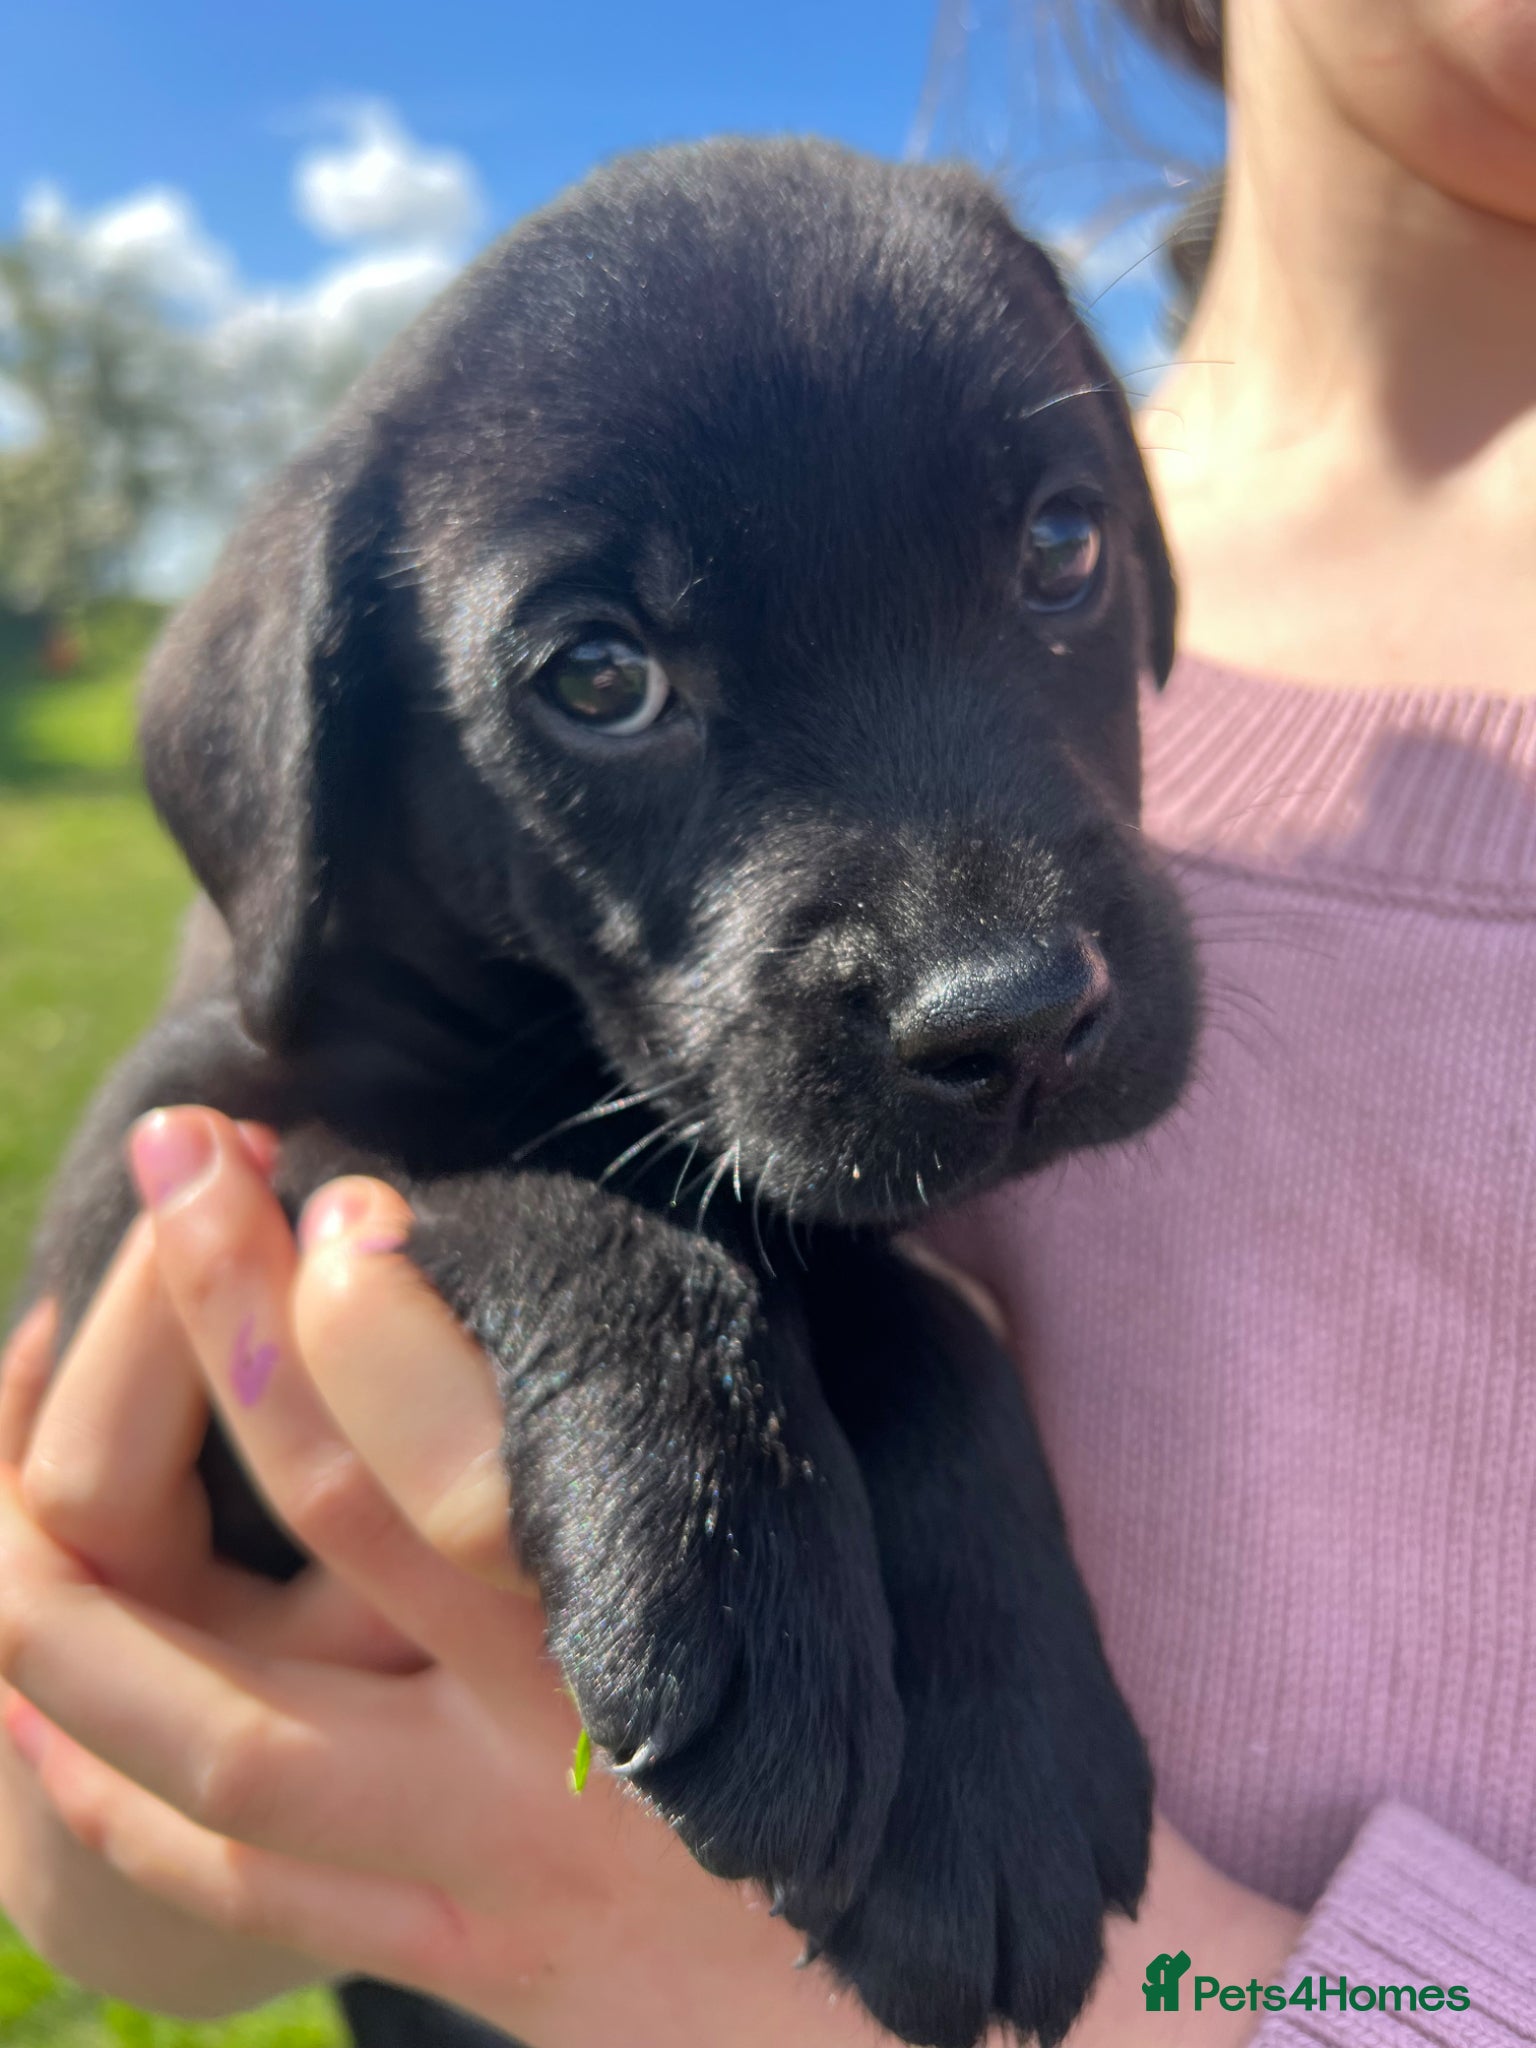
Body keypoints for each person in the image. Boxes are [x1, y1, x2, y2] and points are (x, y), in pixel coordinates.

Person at [2, 0, 1534, 2039]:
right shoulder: (377, 884)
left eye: (1056, 553)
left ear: (1131, 552)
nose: (992, 947)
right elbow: (205, 1205)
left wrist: (1193, 1996)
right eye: (603, 676)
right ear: (334, 738)